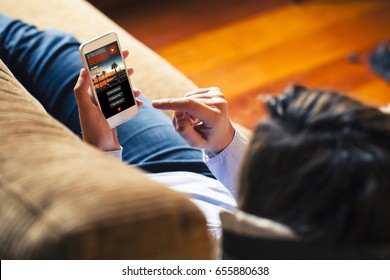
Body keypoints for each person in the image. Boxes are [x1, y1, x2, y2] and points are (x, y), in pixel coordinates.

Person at [2, 15, 390, 256]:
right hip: (193, 171)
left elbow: (127, 247)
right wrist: (224, 144)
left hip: (137, 188)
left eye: (258, 152)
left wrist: (102, 151)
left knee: (40, 52)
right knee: (51, 52)